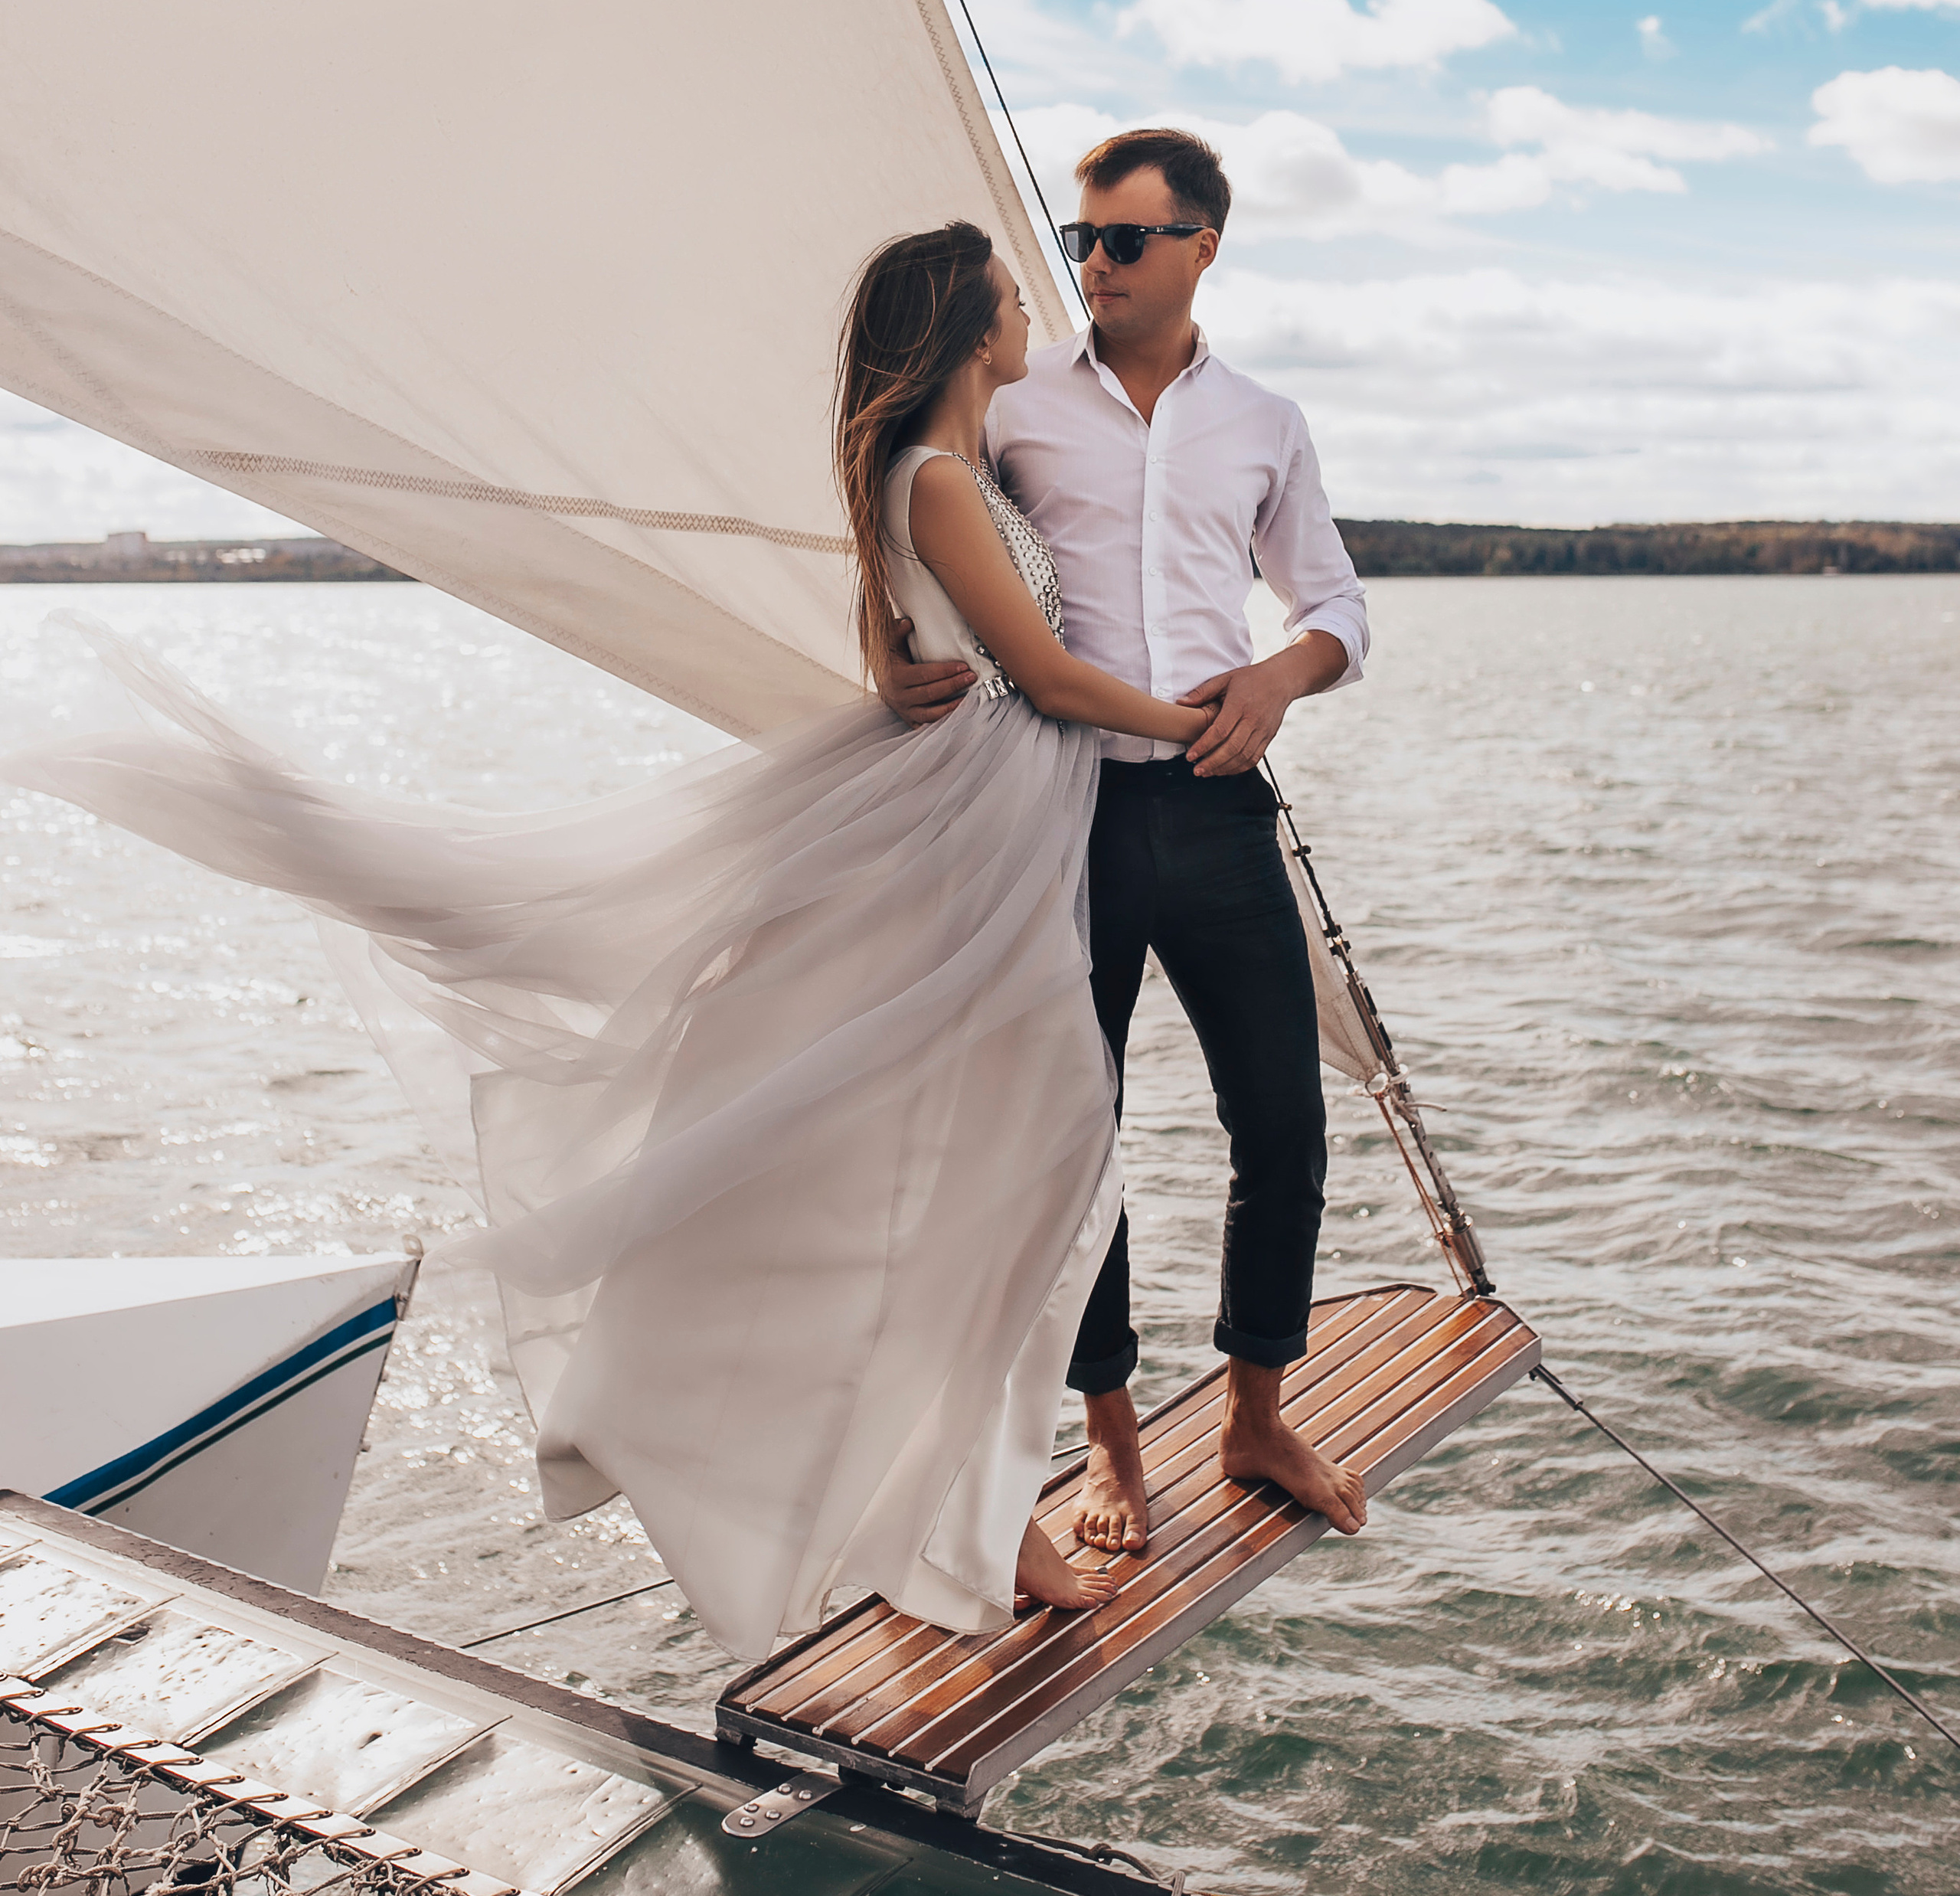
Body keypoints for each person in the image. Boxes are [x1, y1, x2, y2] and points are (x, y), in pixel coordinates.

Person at [1, 222, 1213, 1665]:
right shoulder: (937, 480)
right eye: (1013, 301)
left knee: (1003, 1176)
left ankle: (959, 1512)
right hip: (975, 848)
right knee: (1029, 1159)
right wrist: (1207, 722)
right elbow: (1051, 672)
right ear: (963, 328)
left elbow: (962, 644)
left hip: (998, 839)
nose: (1033, 318)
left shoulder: (963, 475)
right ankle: (956, 1513)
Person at [879, 129, 1372, 1558]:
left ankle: (1258, 1413)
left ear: (1202, 245)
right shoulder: (1014, 398)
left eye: (1123, 241)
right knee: (1075, 1143)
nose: (1090, 263)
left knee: (1282, 1124)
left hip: (1220, 812)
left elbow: (1334, 599)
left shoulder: (1267, 421)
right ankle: (1111, 1449)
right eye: (1082, 238)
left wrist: (1283, 677)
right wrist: (887, 657)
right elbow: (906, 518)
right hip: (1061, 815)